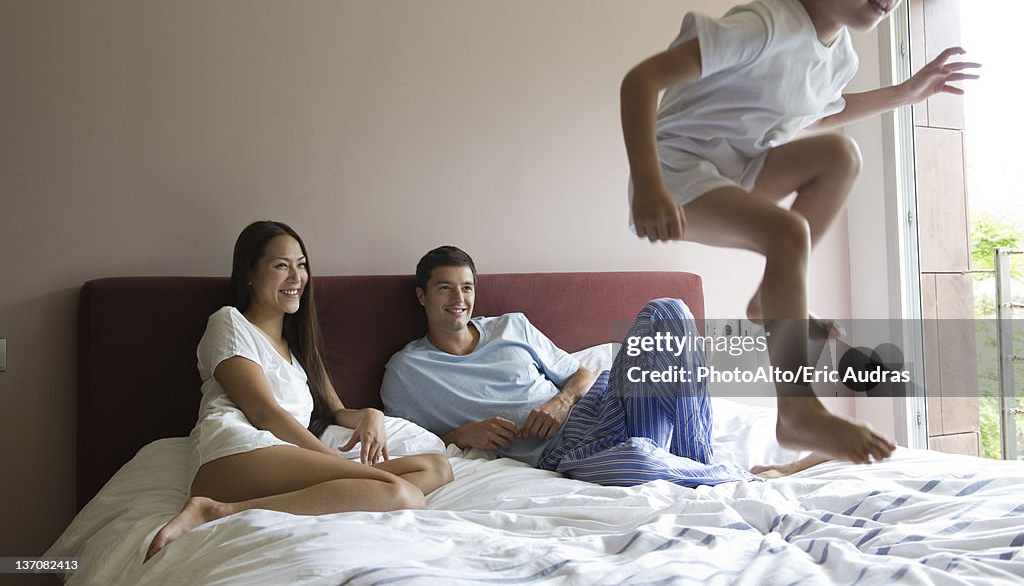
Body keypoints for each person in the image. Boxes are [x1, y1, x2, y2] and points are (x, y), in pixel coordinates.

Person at [620, 0, 978, 464]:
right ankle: (797, 409)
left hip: (737, 166)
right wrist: (646, 184)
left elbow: (821, 114)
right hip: (677, 169)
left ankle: (769, 299)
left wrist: (906, 93)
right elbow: (641, 81)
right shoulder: (765, 26)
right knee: (786, 233)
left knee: (839, 154)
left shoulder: (837, 57)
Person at [381, 246, 823, 488]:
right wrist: (460, 435)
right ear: (422, 295)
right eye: (444, 288)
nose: (459, 299)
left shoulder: (510, 327)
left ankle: (697, 459)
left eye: (467, 287)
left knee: (668, 310)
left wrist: (561, 399)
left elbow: (581, 372)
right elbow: (409, 442)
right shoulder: (406, 371)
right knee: (638, 458)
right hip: (564, 453)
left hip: (605, 402)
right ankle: (744, 478)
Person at [146, 222, 453, 561]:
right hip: (238, 451)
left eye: (301, 265)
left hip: (282, 458)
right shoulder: (230, 323)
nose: (296, 277)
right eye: (281, 265)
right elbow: (264, 412)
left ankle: (256, 506)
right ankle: (217, 510)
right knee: (405, 495)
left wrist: (371, 414)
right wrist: (333, 462)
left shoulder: (299, 349)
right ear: (249, 273)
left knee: (439, 468)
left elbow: (337, 411)